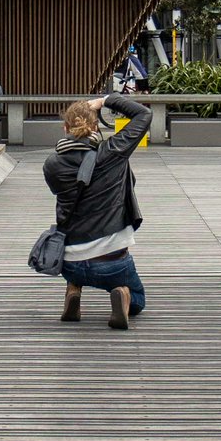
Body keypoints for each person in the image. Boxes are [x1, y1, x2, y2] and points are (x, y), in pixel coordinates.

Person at [43, 92, 150, 331]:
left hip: (69, 262)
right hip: (112, 261)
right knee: (138, 300)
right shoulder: (113, 152)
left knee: (77, 261)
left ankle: (74, 290)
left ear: (65, 128)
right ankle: (121, 293)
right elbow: (144, 114)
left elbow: (57, 191)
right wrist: (106, 100)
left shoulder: (52, 164)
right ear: (95, 127)